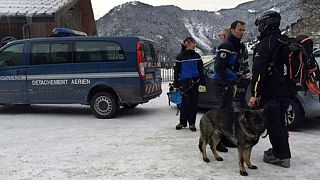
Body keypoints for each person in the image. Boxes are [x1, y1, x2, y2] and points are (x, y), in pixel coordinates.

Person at [248, 10, 291, 168]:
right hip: (285, 92)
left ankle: (282, 156)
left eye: (260, 24)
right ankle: (281, 150)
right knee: (281, 123)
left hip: (271, 92)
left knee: (274, 125)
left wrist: (255, 93)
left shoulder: (265, 44)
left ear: (265, 24)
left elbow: (259, 72)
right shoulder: (285, 40)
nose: (260, 27)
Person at [212, 21, 248, 152]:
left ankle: (226, 139)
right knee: (222, 113)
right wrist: (227, 84)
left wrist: (234, 84)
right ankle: (216, 142)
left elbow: (237, 68)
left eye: (243, 30)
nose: (242, 32)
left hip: (229, 83)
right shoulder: (226, 46)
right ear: (232, 30)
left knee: (228, 113)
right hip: (221, 83)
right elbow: (219, 67)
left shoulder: (237, 46)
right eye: (240, 30)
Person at [173, 37, 206, 132]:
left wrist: (203, 82)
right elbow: (176, 72)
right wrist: (176, 85)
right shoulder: (180, 57)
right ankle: (183, 122)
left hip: (195, 83)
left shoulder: (197, 56)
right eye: (193, 43)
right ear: (187, 43)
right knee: (184, 104)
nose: (195, 44)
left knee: (194, 104)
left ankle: (192, 123)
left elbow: (201, 70)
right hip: (184, 83)